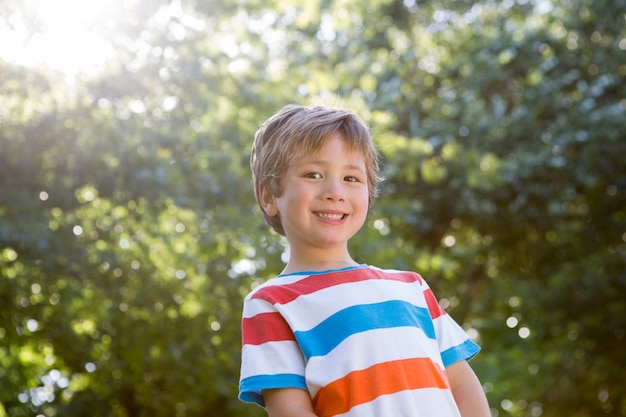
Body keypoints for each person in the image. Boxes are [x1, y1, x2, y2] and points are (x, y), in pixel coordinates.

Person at [238, 104, 491, 417]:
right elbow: (291, 410)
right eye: (313, 174)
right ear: (268, 196)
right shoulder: (271, 303)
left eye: (351, 178)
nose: (335, 191)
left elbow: (463, 385)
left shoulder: (412, 289)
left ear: (370, 192)